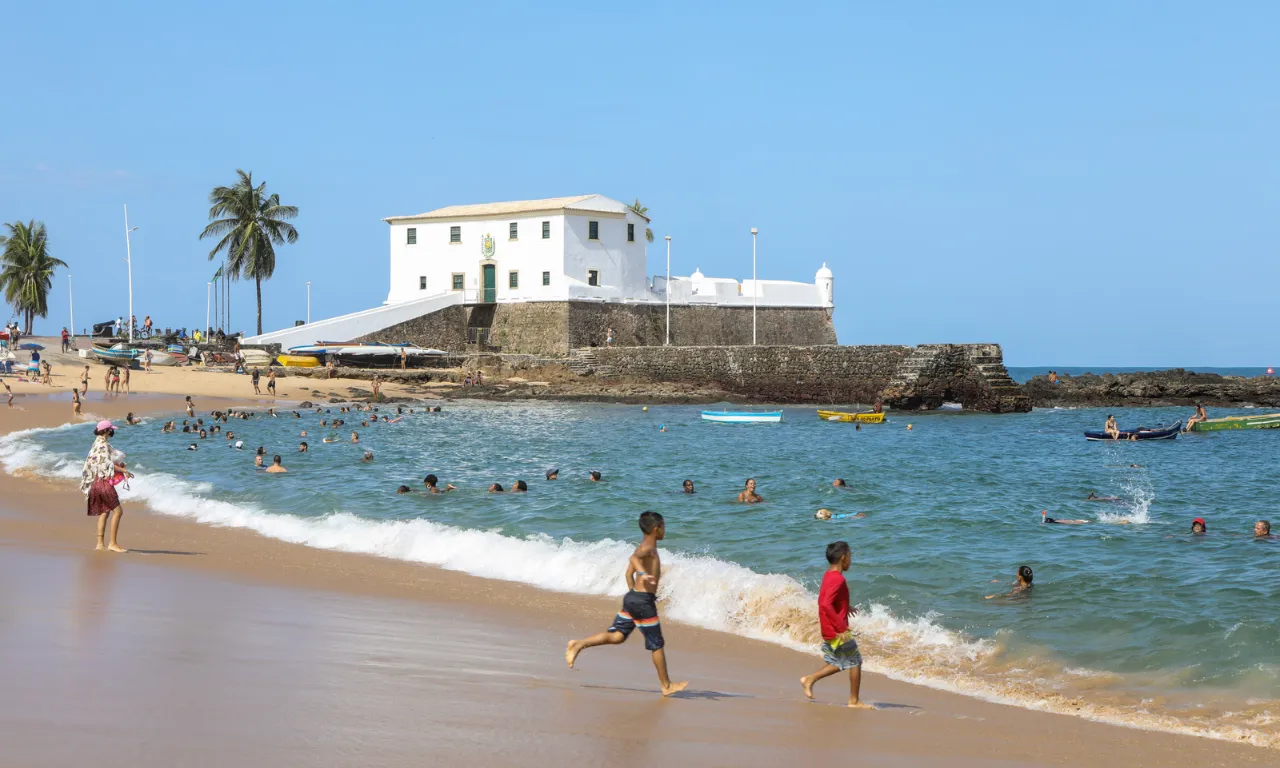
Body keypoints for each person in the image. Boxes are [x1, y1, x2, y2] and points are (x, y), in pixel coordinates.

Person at [565, 511, 687, 697]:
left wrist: (634, 591)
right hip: (642, 602)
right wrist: (643, 575)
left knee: (617, 637)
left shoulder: (645, 546)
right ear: (656, 529)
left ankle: (579, 644)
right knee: (656, 644)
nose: (665, 530)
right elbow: (634, 560)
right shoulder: (648, 548)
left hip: (634, 599)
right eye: (663, 526)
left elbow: (627, 574)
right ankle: (666, 685)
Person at [799, 540, 870, 708]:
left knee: (843, 661)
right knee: (854, 661)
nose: (851, 561)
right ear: (844, 557)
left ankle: (810, 679)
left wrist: (846, 607)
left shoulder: (829, 575)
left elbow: (827, 599)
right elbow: (824, 604)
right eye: (850, 556)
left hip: (831, 627)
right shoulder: (837, 579)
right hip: (836, 629)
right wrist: (841, 627)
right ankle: (853, 700)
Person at [78, 420, 128, 552]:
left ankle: (100, 544)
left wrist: (120, 467)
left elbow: (100, 463)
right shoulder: (103, 445)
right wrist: (125, 471)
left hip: (95, 483)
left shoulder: (96, 444)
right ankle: (113, 543)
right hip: (103, 483)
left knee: (105, 512)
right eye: (111, 429)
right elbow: (107, 464)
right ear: (106, 431)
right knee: (118, 512)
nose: (113, 431)